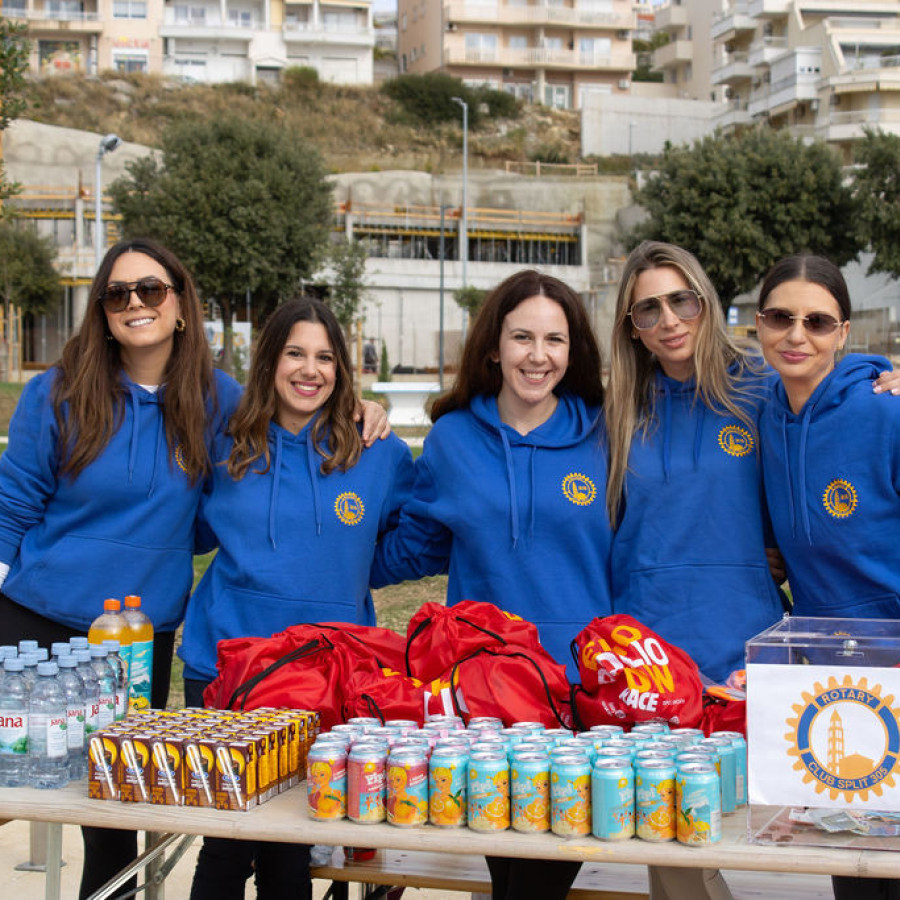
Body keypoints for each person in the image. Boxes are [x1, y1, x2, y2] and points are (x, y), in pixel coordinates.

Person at [0, 238, 243, 898]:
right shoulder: (59, 390)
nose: (135, 303)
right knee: (14, 789)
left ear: (182, 306)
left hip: (138, 636)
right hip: (35, 626)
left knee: (113, 817)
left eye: (151, 290)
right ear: (103, 313)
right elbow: (13, 503)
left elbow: (235, 493)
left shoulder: (219, 398)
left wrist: (364, 413)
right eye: (117, 294)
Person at [372, 268, 610, 899]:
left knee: (537, 879)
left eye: (554, 340)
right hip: (480, 695)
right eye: (522, 338)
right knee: (505, 872)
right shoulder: (453, 439)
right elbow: (414, 541)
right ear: (494, 348)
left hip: (575, 693)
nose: (538, 356)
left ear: (573, 350)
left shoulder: (607, 432)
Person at [180, 297, 413, 900]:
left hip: (324, 683)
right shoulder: (226, 443)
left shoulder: (376, 449)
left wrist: (353, 572)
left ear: (341, 370)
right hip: (227, 674)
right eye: (295, 354)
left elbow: (413, 538)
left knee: (293, 850)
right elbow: (192, 527)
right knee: (227, 842)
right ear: (270, 361)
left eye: (325, 358)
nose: (310, 371)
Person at [755, 255, 900, 900]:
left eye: (817, 321)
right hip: (827, 678)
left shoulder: (884, 411)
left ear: (843, 332)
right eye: (780, 317)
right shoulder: (763, 415)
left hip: (894, 666)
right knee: (849, 866)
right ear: (758, 325)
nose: (796, 335)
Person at [606, 241, 786, 686]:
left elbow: (833, 438)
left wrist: (872, 375)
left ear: (705, 303)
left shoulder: (764, 390)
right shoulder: (617, 411)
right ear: (632, 328)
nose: (669, 321)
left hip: (745, 641)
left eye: (682, 301)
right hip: (644, 651)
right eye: (648, 310)